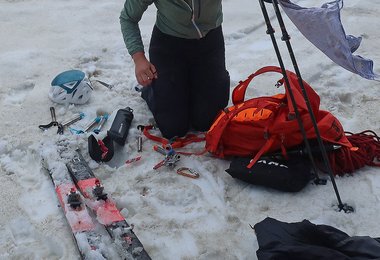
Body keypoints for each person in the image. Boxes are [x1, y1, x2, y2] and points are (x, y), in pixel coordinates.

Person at [120, 0, 230, 139]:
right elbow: (128, 18)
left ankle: (195, 86)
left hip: (209, 42)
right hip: (169, 46)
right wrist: (139, 58)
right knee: (173, 128)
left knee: (207, 122)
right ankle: (153, 90)